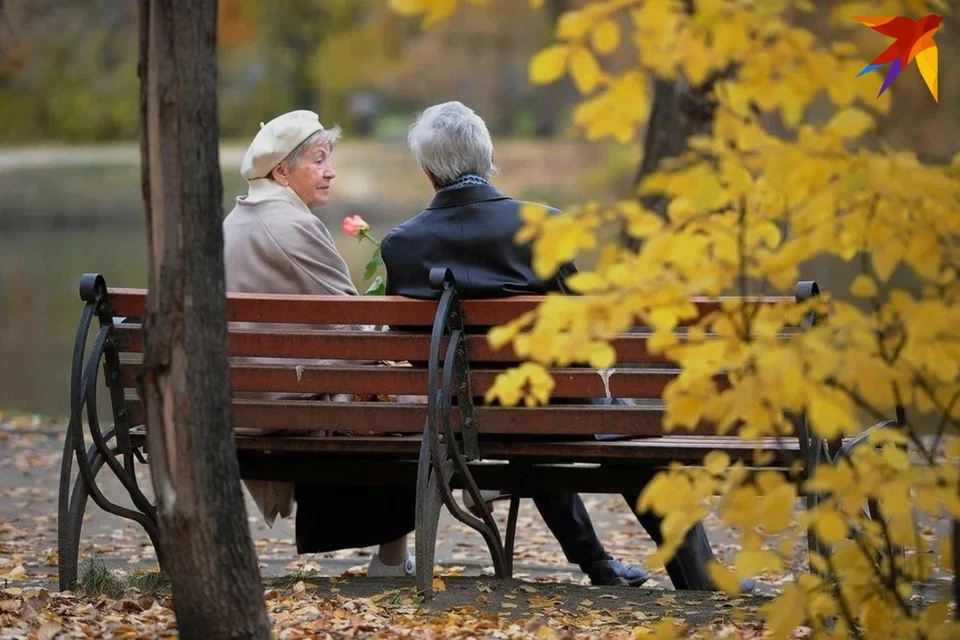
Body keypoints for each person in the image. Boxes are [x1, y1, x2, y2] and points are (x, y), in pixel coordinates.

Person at [380, 101, 754, 592]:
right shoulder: (542, 225)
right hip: (555, 401)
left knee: (537, 431)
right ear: (488, 157)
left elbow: (411, 347)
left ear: (428, 171)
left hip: (459, 414)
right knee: (612, 427)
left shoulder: (401, 244)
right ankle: (701, 576)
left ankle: (599, 566)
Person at [222, 110, 416, 578]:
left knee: (383, 388)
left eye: (330, 159)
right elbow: (351, 328)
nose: (330, 171)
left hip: (242, 401)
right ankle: (392, 561)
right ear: (281, 172)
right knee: (407, 402)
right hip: (286, 408)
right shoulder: (293, 225)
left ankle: (389, 556)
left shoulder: (236, 220)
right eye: (318, 160)